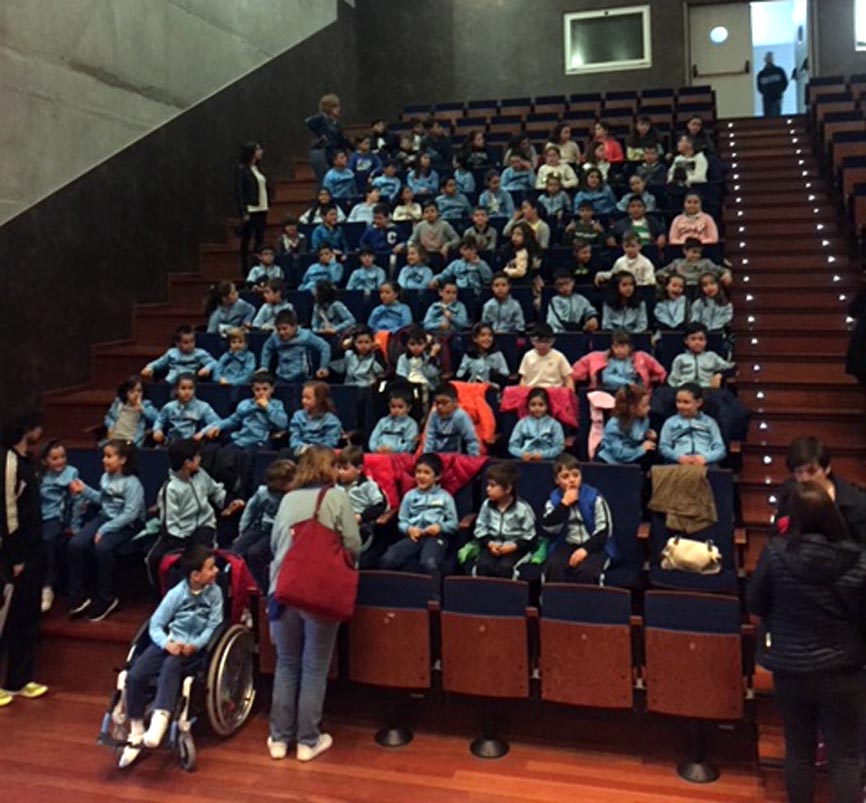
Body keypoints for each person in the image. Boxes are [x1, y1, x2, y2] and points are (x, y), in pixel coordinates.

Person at [748, 482, 866, 803]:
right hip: (844, 669)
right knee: (845, 757)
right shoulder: (858, 560)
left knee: (799, 752)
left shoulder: (775, 555)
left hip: (791, 667)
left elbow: (756, 603)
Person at [268, 446, 361, 761]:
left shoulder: (287, 499)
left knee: (286, 663)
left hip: (283, 588)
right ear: (327, 468)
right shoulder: (337, 498)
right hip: (319, 593)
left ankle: (279, 739)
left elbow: (274, 543)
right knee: (314, 667)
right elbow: (354, 544)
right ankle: (307, 742)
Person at [117, 543, 223, 768]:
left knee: (171, 666)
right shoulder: (176, 594)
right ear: (195, 575)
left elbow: (213, 626)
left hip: (193, 649)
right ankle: (136, 730)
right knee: (135, 674)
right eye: (211, 568)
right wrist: (167, 643)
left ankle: (160, 720)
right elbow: (155, 624)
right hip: (170, 642)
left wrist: (195, 645)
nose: (216, 571)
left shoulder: (215, 594)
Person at [145, 439, 242, 588]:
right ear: (187, 463)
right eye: (197, 457)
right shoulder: (171, 489)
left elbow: (216, 491)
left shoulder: (201, 474)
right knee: (154, 559)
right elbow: (171, 524)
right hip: (179, 535)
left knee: (201, 557)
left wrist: (228, 503)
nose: (200, 459)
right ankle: (165, 595)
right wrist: (183, 543)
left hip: (204, 526)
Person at [0, 410, 48, 705]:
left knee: (27, 616)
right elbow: (8, 512)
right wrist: (15, 556)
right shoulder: (8, 462)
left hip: (34, 552)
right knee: (7, 618)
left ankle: (19, 680)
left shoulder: (28, 461)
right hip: (14, 556)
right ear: (27, 429)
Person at [67, 439, 146, 621]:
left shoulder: (132, 483)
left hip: (128, 524)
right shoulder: (105, 477)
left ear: (122, 460)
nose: (104, 460)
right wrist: (84, 490)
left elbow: (130, 514)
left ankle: (107, 598)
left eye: (109, 456)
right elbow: (103, 501)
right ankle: (79, 595)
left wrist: (104, 530)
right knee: (75, 544)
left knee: (102, 548)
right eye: (104, 456)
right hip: (106, 518)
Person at [379, 453, 457, 582]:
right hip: (414, 536)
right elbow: (402, 521)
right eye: (418, 472)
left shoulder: (445, 497)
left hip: (435, 537)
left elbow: (453, 523)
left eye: (426, 473)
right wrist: (408, 529)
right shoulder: (409, 496)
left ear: (437, 476)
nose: (421, 476)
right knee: (388, 559)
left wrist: (440, 527)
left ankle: (434, 593)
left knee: (429, 563)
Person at [774, 436, 866, 545]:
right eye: (799, 472)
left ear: (827, 469)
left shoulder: (856, 503)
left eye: (811, 471)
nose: (805, 478)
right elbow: (777, 538)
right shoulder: (788, 494)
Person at [542, 454, 613, 584]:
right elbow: (548, 528)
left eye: (576, 475)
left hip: (594, 546)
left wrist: (585, 549)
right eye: (565, 477)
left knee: (587, 572)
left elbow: (604, 531)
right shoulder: (553, 500)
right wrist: (564, 504)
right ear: (557, 480)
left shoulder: (594, 497)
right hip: (566, 543)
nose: (572, 480)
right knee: (554, 566)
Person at [232, 459, 295, 592]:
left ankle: (261, 588)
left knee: (255, 553)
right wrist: (242, 532)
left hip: (276, 533)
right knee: (235, 552)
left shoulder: (294, 496)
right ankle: (238, 586)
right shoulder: (263, 492)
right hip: (260, 528)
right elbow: (250, 511)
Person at [38, 439, 81, 612]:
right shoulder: (38, 475)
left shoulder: (71, 473)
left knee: (48, 540)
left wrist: (74, 526)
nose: (60, 461)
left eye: (63, 457)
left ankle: (47, 586)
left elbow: (77, 501)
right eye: (55, 458)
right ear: (45, 461)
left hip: (57, 517)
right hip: (38, 517)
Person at [473, 463, 537, 578]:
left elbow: (530, 536)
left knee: (505, 568)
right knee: (482, 565)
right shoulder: (487, 505)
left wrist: (515, 546)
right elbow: (480, 528)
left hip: (515, 548)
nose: (488, 489)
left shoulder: (522, 508)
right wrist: (490, 543)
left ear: (507, 489)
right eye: (488, 485)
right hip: (493, 545)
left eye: (492, 486)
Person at [335, 446, 387, 555]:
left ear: (359, 469)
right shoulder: (334, 485)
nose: (340, 472)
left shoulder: (368, 485)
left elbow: (380, 505)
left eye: (345, 468)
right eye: (338, 468)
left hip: (361, 524)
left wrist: (361, 517)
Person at [658, 383, 726, 466]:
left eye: (686, 402)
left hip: (705, 464)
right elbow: (663, 447)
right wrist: (678, 457)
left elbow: (720, 449)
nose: (681, 406)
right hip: (678, 464)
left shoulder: (709, 422)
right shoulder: (670, 422)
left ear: (699, 402)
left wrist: (705, 458)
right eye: (678, 401)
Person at [260, 309, 331, 384]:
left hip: (301, 376)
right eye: (278, 329)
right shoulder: (274, 337)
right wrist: (264, 366)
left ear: (294, 326)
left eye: (284, 328)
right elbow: (267, 348)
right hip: (281, 376)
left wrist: (323, 367)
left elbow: (324, 346)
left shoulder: (306, 336)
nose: (281, 332)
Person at [597, 384, 657, 466]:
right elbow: (619, 453)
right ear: (631, 408)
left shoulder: (644, 419)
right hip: (609, 463)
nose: (649, 408)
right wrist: (641, 449)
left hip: (632, 460)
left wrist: (648, 436)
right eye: (644, 406)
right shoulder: (614, 425)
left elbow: (638, 436)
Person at [152, 374, 219, 444]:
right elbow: (159, 421)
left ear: (195, 389)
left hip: (193, 443)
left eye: (190, 388)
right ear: (176, 390)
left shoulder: (203, 406)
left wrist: (203, 432)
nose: (187, 392)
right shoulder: (169, 407)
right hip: (172, 443)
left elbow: (216, 422)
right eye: (183, 388)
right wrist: (157, 429)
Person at [235, 141, 268, 273]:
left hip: (262, 207)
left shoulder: (259, 168)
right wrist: (243, 212)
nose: (261, 152)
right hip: (251, 208)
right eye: (258, 149)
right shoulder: (242, 170)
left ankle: (257, 266)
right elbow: (239, 192)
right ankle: (245, 267)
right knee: (247, 239)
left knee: (260, 238)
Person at [141, 325, 216, 383]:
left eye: (192, 341)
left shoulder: (200, 353)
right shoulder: (171, 353)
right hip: (171, 382)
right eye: (186, 342)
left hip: (190, 381)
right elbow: (159, 363)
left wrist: (207, 368)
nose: (190, 345)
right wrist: (149, 367)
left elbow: (214, 362)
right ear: (177, 343)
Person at [508, 387, 565, 461]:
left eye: (541, 405)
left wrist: (543, 455)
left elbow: (559, 447)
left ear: (547, 406)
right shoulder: (522, 423)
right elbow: (512, 446)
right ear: (528, 406)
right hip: (525, 460)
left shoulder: (554, 424)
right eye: (533, 405)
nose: (537, 408)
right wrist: (521, 454)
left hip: (548, 461)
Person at [421, 383, 480, 455]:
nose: (439, 406)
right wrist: (426, 456)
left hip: (454, 457)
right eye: (437, 403)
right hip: (436, 456)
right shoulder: (434, 415)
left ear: (455, 402)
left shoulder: (460, 416)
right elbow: (429, 438)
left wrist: (474, 459)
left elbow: (471, 440)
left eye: (444, 403)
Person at [305, 93, 350, 183]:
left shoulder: (335, 125)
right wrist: (323, 137)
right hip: (322, 154)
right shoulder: (320, 122)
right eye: (335, 107)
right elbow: (309, 121)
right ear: (329, 108)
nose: (339, 109)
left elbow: (341, 141)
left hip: (333, 154)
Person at [289, 381, 343, 456]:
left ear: (319, 399)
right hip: (300, 451)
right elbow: (294, 438)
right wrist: (303, 448)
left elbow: (330, 443)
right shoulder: (298, 416)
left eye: (308, 398)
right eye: (303, 397)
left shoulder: (332, 421)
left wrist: (312, 450)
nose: (303, 401)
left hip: (321, 454)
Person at [103, 376, 159, 446]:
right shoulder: (119, 403)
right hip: (115, 438)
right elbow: (109, 418)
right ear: (126, 392)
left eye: (139, 391)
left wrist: (142, 409)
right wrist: (111, 426)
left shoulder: (145, 404)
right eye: (132, 391)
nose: (136, 394)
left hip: (131, 441)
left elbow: (157, 418)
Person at [657, 237, 731, 288]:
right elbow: (660, 272)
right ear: (685, 251)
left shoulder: (706, 262)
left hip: (701, 289)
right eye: (694, 252)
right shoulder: (677, 262)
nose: (697, 255)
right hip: (682, 289)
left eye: (699, 253)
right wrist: (668, 277)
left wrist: (726, 274)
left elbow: (722, 270)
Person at [518, 323, 575, 389]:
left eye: (546, 342)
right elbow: (523, 379)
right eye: (538, 341)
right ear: (532, 341)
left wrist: (570, 393)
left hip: (554, 390)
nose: (542, 345)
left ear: (552, 341)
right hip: (533, 391)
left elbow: (568, 379)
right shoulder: (527, 356)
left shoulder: (559, 356)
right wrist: (522, 392)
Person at [455, 322, 511, 389]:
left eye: (490, 335)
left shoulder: (498, 355)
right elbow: (460, 376)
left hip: (492, 390)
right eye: (483, 335)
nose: (487, 338)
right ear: (475, 338)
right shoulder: (469, 355)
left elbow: (505, 376)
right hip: (472, 389)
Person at [368, 388, 419, 454]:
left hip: (400, 456)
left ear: (408, 408)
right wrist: (376, 448)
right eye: (393, 406)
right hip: (379, 453)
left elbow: (410, 444)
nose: (396, 410)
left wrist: (393, 450)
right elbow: (373, 438)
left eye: (400, 407)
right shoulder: (383, 421)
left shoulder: (411, 424)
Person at [757, 51, 789, 118]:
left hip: (777, 98)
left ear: (772, 59)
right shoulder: (761, 74)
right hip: (766, 100)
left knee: (776, 117)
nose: (769, 59)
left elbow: (785, 83)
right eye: (767, 57)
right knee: (767, 118)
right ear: (765, 59)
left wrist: (779, 91)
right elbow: (759, 88)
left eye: (770, 57)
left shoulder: (779, 71)